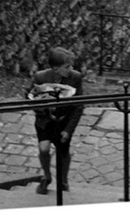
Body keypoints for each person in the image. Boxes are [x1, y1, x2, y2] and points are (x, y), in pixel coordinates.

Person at [27, 47, 83, 194]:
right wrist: (42, 107)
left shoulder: (75, 78)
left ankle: (63, 180)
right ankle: (47, 176)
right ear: (56, 69)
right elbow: (30, 97)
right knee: (43, 148)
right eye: (67, 67)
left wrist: (69, 129)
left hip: (64, 120)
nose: (71, 69)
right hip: (45, 121)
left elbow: (78, 106)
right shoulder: (41, 77)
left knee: (63, 150)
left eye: (71, 65)